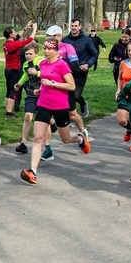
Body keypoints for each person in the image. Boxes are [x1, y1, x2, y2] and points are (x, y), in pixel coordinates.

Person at [20, 39, 92, 185]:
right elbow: (44, 81)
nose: (46, 51)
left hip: (60, 105)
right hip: (44, 104)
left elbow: (71, 86)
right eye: (45, 48)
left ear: (56, 50)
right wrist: (40, 89)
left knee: (65, 139)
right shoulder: (42, 64)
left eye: (49, 49)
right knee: (38, 137)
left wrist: (53, 83)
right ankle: (33, 172)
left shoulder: (62, 65)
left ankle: (79, 139)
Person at [41, 25, 87, 161]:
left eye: (54, 36)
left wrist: (60, 60)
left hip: (65, 87)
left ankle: (82, 132)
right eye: (48, 36)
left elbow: (75, 66)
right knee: (45, 120)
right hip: (49, 93)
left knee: (73, 114)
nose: (50, 38)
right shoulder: (46, 52)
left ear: (60, 36)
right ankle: (47, 148)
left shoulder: (68, 48)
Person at [62, 18, 98, 118]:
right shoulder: (65, 40)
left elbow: (94, 54)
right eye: (72, 26)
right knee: (68, 95)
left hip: (81, 71)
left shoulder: (87, 40)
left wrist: (87, 64)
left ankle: (82, 103)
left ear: (80, 27)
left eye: (75, 26)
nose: (73, 28)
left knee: (76, 95)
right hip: (67, 72)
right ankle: (71, 116)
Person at [2, 22, 37, 118]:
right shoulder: (13, 45)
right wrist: (34, 29)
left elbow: (18, 36)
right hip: (14, 70)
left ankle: (7, 109)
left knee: (8, 90)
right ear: (10, 34)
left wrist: (26, 28)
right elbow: (29, 40)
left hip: (7, 69)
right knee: (13, 91)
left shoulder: (6, 44)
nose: (15, 33)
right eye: (13, 32)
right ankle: (9, 113)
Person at [13, 42, 43, 154]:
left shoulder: (41, 62)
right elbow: (25, 76)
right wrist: (19, 84)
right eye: (26, 54)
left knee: (43, 118)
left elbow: (49, 74)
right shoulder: (26, 65)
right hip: (31, 93)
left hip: (43, 94)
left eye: (30, 54)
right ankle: (23, 143)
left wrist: (37, 73)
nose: (28, 56)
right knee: (27, 116)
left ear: (36, 53)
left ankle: (53, 123)